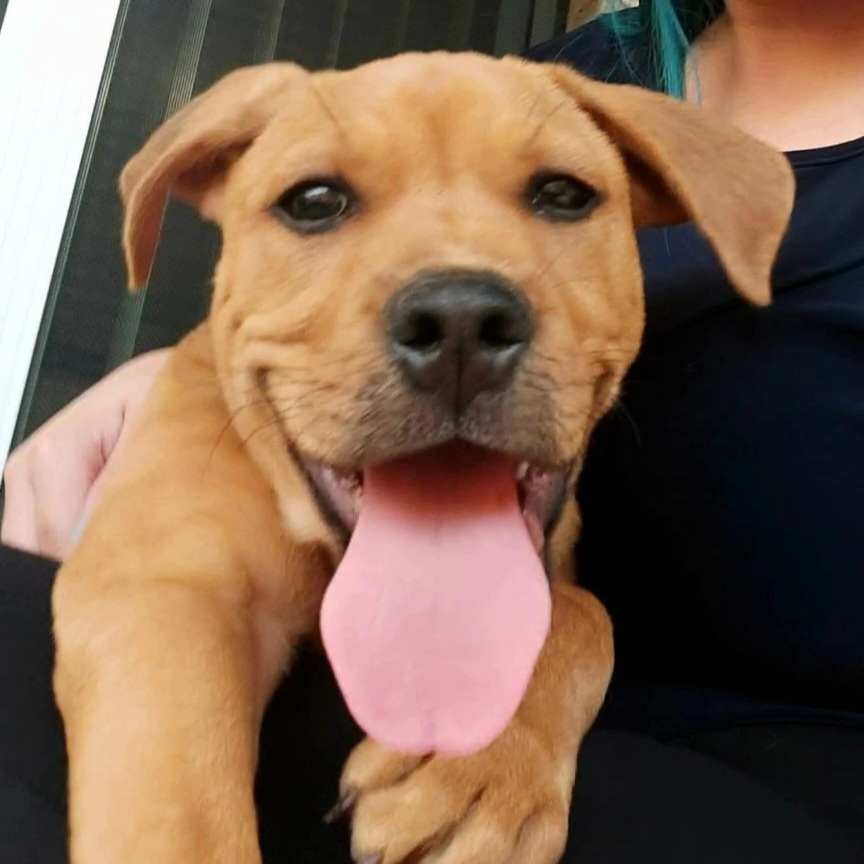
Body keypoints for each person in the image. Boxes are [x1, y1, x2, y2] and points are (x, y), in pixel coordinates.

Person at [2, 1, 862, 860]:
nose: (457, 305)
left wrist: (556, 676)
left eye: (559, 195)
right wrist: (194, 375)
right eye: (317, 201)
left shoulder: (593, 114)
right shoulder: (574, 70)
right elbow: (168, 603)